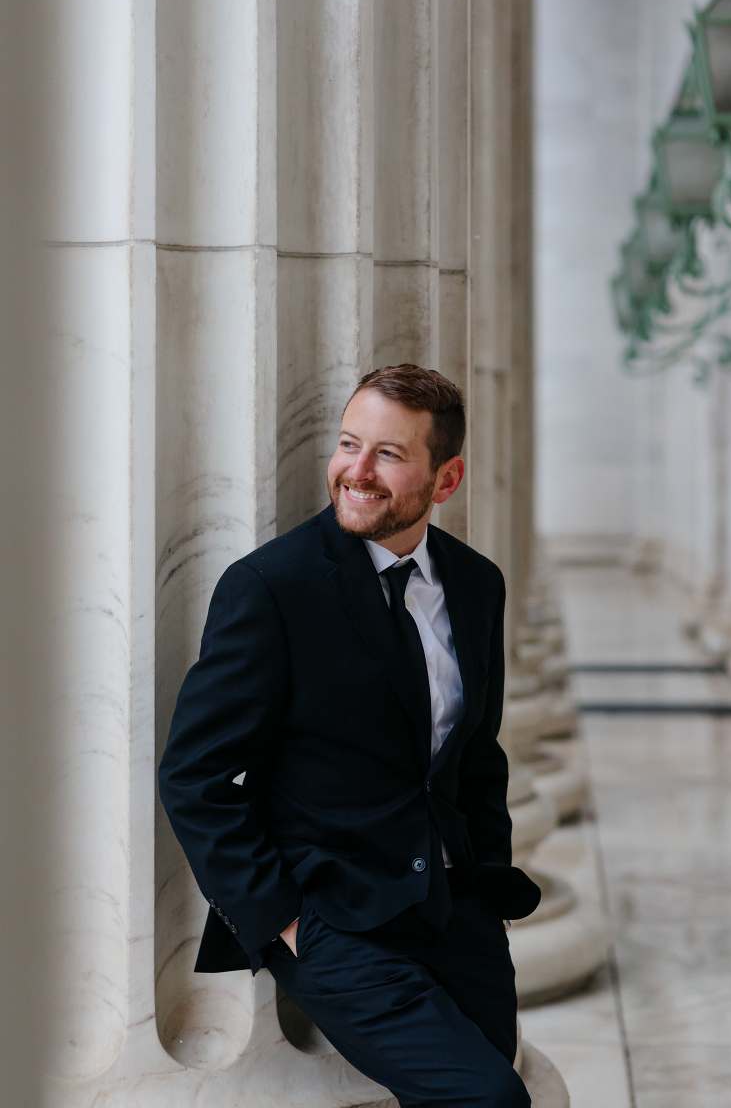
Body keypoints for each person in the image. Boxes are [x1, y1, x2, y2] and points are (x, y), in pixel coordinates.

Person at [159, 363, 540, 1107]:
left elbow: (476, 753)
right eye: (347, 444)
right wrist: (283, 922)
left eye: (389, 455)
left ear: (447, 477)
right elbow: (194, 776)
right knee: (488, 1097)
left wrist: (485, 878)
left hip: (455, 907)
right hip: (334, 918)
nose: (355, 472)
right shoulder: (273, 587)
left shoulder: (476, 583)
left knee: (490, 1083)